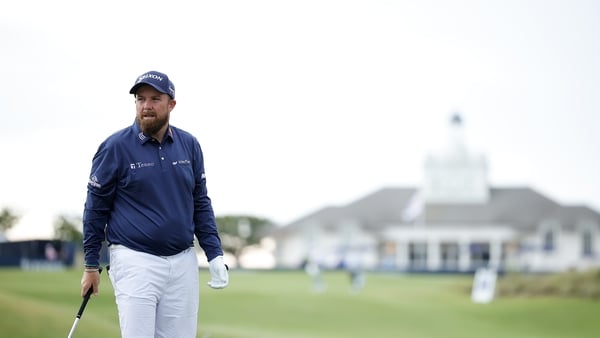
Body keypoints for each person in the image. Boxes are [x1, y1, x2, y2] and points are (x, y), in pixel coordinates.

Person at [80, 70, 229, 338]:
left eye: (155, 99)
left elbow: (200, 202)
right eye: (140, 99)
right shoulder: (115, 147)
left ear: (171, 104)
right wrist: (91, 265)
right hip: (135, 259)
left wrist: (214, 253)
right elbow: (95, 208)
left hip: (183, 261)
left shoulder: (189, 145)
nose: (146, 106)